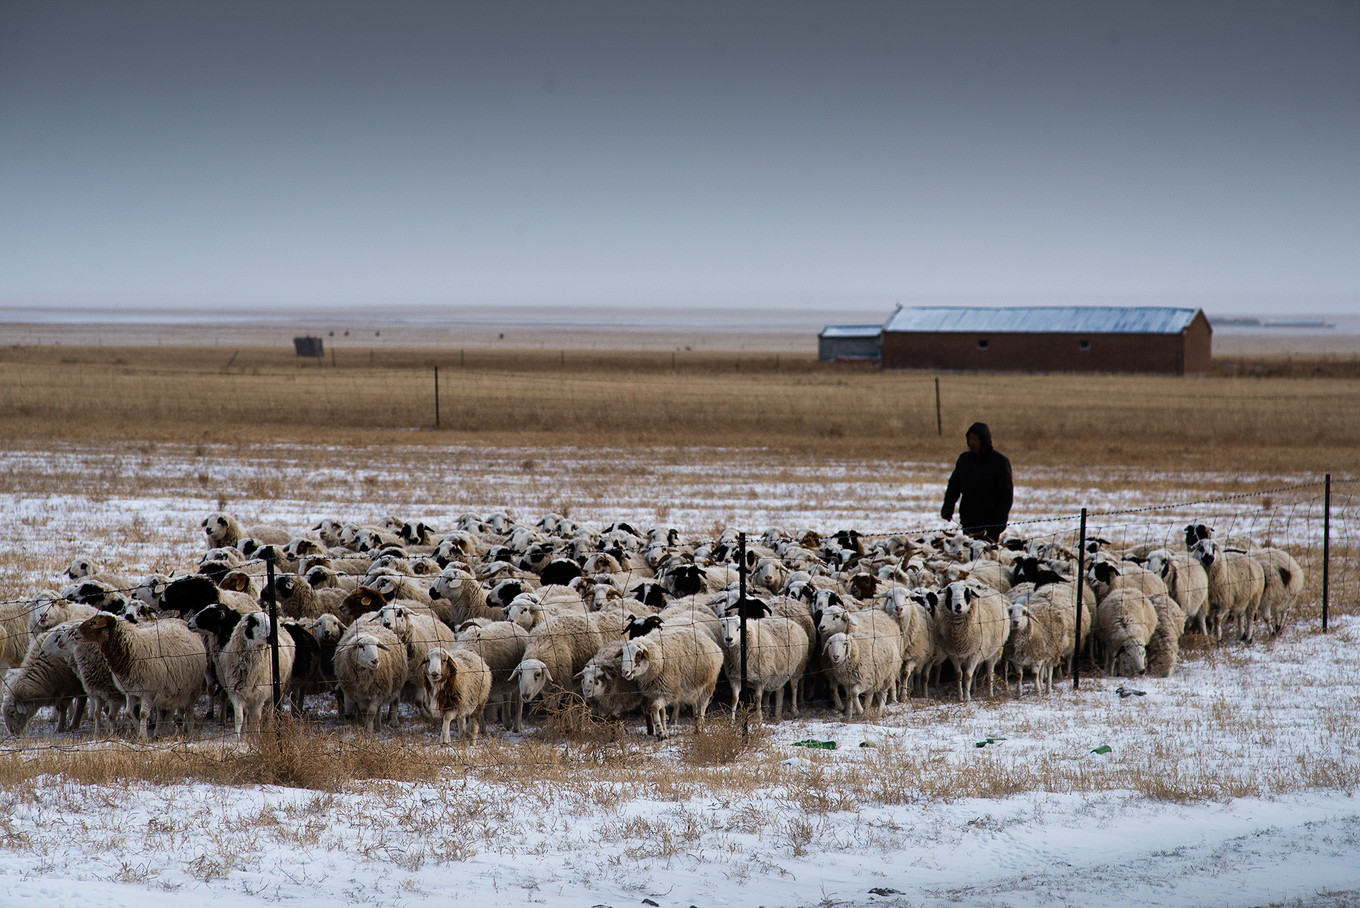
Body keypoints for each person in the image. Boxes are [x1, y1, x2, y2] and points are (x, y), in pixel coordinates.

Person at [941, 422, 1013, 544]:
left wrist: (997, 525)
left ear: (984, 440)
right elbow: (954, 486)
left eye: (975, 439)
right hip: (969, 522)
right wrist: (948, 507)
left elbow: (1005, 497)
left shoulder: (1000, 463)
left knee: (986, 560)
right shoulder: (964, 460)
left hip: (991, 525)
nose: (972, 443)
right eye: (970, 439)